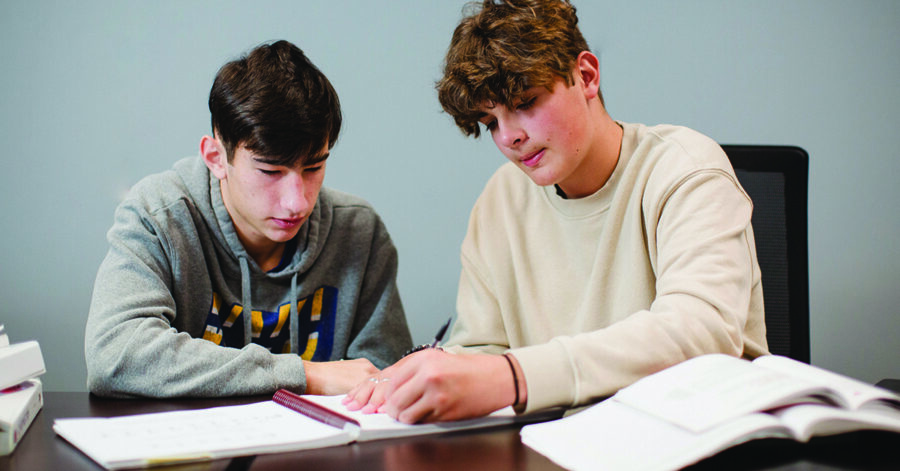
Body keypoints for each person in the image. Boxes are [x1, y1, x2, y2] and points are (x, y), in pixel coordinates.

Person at [344, 0, 767, 423]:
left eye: (525, 102)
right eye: (491, 122)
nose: (509, 137)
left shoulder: (685, 167)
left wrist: (514, 376)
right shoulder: (500, 200)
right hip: (565, 445)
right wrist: (424, 378)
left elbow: (702, 331)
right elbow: (480, 349)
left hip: (698, 438)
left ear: (586, 76)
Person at [85, 40, 412, 398]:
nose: (296, 202)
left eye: (314, 167)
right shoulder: (159, 216)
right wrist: (303, 374)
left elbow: (383, 380)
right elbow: (114, 355)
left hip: (320, 450)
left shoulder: (359, 233)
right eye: (270, 171)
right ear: (216, 158)